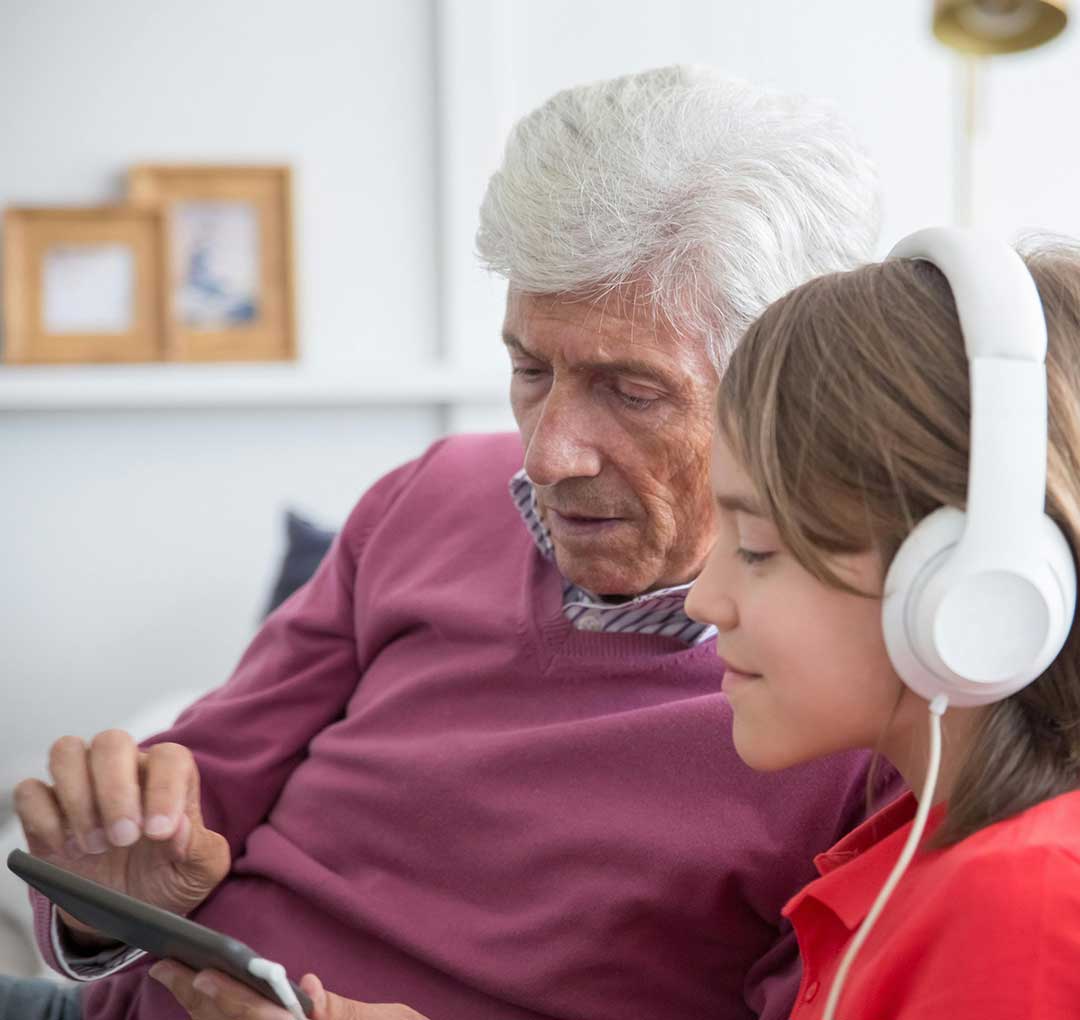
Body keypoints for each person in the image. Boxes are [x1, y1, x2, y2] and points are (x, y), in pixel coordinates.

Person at [4, 65, 890, 1020]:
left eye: (632, 392)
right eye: (528, 368)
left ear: (786, 391)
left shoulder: (861, 698)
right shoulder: (431, 496)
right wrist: (112, 903)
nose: (549, 453)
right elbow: (201, 788)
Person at [681, 231, 1080, 1017]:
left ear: (969, 576)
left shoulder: (1022, 906)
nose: (705, 599)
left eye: (757, 548)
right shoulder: (929, 847)